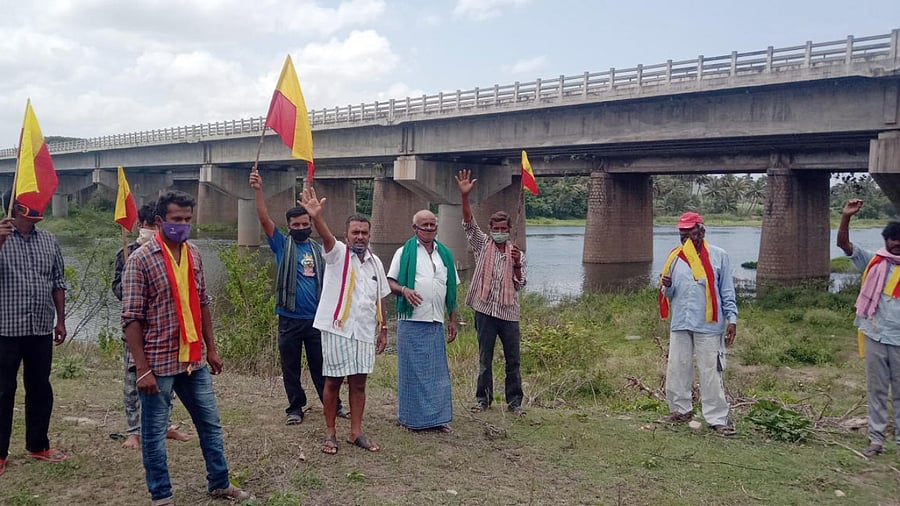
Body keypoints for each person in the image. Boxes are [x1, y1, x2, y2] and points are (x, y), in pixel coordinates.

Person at [121, 190, 250, 504]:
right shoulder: (141, 258)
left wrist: (213, 348)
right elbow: (131, 319)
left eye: (188, 220)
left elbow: (203, 303)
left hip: (193, 360)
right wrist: (142, 369)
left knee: (210, 423)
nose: (182, 225)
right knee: (153, 435)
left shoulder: (193, 253)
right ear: (160, 221)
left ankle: (220, 482)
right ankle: (161, 495)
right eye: (176, 219)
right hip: (158, 362)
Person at [249, 170, 348, 425]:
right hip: (289, 318)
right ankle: (295, 407)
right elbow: (263, 218)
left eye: (306, 224)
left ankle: (333, 404)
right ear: (289, 227)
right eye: (296, 225)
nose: (302, 228)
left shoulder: (318, 249)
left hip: (316, 320)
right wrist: (258, 189)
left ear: (311, 224)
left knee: (322, 367)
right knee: (290, 367)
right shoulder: (282, 244)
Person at [300, 186, 389, 455]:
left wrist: (383, 328)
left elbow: (380, 296)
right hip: (337, 328)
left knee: (359, 383)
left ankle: (356, 432)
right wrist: (316, 217)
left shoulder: (375, 262)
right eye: (355, 232)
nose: (360, 237)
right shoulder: (337, 252)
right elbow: (325, 237)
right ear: (346, 235)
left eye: (364, 232)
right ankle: (330, 433)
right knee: (333, 382)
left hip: (363, 329)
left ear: (369, 235)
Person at [0, 192, 68, 477]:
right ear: (16, 207)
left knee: (40, 388)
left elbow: (58, 281)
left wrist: (61, 320)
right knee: (3, 391)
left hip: (40, 327)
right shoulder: (0, 237)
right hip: (5, 328)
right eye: (32, 203)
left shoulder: (49, 240)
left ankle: (38, 445)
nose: (39, 207)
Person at [112, 203, 191, 449]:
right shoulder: (127, 253)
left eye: (153, 227)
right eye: (146, 226)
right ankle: (134, 432)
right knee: (133, 381)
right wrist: (132, 285)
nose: (150, 231)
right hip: (137, 332)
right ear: (139, 226)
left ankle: (165, 426)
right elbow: (118, 290)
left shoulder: (172, 253)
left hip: (166, 332)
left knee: (169, 383)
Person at [658, 211, 738, 436]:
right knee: (677, 368)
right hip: (681, 321)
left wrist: (732, 319)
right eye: (682, 233)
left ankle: (717, 419)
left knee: (710, 371)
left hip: (709, 324)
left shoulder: (718, 256)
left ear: (701, 231)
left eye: (689, 232)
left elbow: (727, 291)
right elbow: (671, 292)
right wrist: (667, 285)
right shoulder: (675, 256)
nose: (685, 237)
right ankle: (680, 410)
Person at [455, 169, 527, 416]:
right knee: (485, 360)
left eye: (503, 227)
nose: (499, 231)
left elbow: (520, 284)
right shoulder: (481, 244)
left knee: (513, 361)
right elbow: (468, 223)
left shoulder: (516, 252)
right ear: (490, 228)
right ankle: (483, 400)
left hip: (509, 314)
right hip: (484, 310)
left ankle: (515, 402)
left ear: (508, 229)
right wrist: (465, 197)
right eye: (495, 227)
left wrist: (516, 263)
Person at [838, 198, 900, 457]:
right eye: (893, 239)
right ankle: (876, 440)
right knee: (876, 389)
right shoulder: (874, 262)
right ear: (886, 240)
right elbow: (844, 244)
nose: (897, 244)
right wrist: (846, 217)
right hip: (875, 334)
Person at [387, 210, 459, 432]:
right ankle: (411, 419)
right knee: (412, 373)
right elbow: (389, 282)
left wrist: (453, 320)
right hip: (412, 320)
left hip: (436, 320)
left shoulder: (444, 254)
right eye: (424, 225)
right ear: (414, 228)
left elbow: (451, 289)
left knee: (437, 374)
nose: (428, 229)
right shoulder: (404, 252)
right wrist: (404, 290)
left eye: (432, 225)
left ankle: (437, 419)